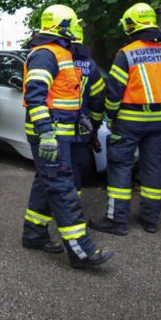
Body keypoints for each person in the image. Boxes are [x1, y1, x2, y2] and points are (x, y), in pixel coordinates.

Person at [21, 4, 114, 269]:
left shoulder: (59, 53)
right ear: (62, 26)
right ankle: (81, 251)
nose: (77, 28)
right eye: (74, 23)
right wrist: (47, 134)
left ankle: (34, 234)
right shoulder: (46, 54)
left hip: (60, 132)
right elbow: (35, 96)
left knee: (45, 183)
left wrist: (81, 118)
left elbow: (64, 97)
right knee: (63, 188)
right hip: (50, 136)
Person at [89, 2, 161, 235]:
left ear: (132, 25)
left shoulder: (126, 54)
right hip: (159, 121)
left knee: (121, 167)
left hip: (129, 122)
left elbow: (114, 92)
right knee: (152, 167)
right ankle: (150, 219)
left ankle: (116, 221)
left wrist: (110, 117)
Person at [69, 20, 106, 197]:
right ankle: (73, 206)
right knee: (77, 167)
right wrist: (95, 128)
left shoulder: (54, 60)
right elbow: (98, 101)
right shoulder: (90, 66)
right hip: (82, 129)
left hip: (57, 128)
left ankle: (58, 207)